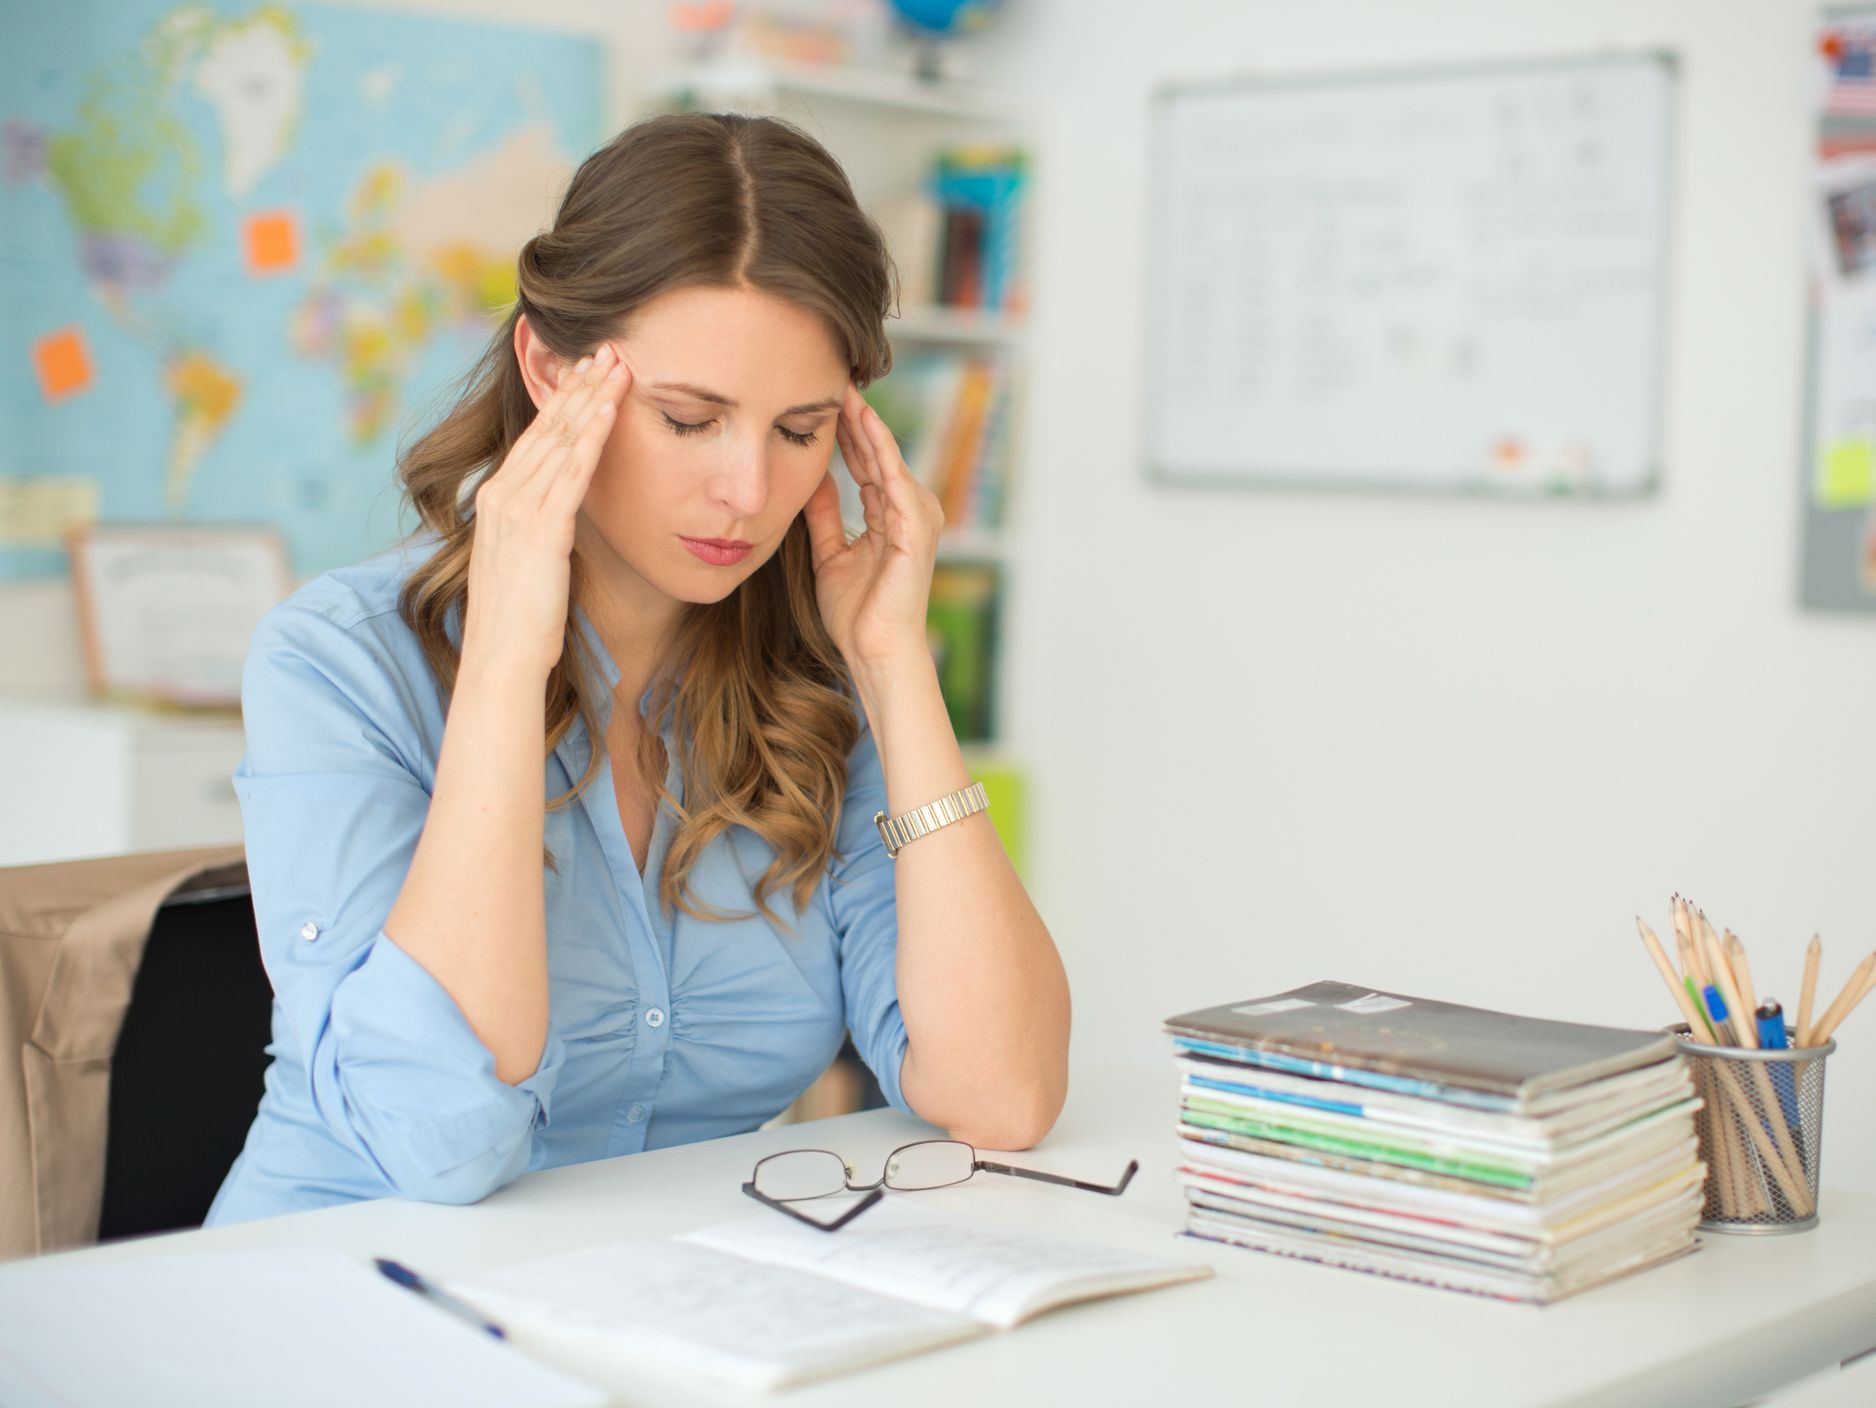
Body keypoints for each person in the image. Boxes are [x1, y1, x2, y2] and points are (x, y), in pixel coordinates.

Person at [205, 112, 1070, 1224]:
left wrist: (896, 664)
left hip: (653, 1306)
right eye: (688, 419)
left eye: (799, 431)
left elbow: (1000, 1092)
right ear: (551, 370)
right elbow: (441, 1145)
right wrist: (509, 662)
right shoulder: (339, 661)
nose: (747, 492)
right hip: (329, 1301)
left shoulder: (817, 676)